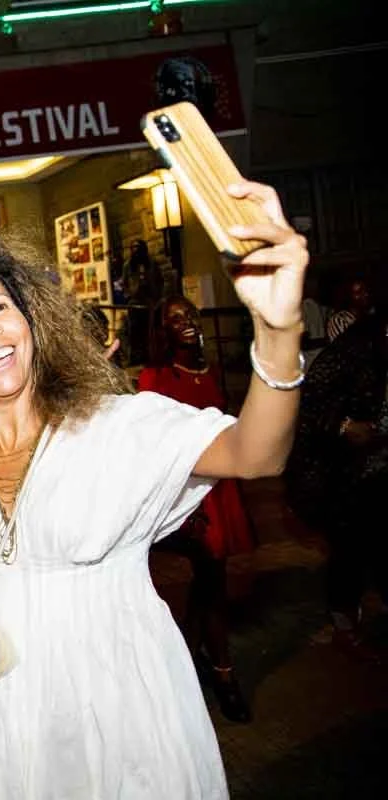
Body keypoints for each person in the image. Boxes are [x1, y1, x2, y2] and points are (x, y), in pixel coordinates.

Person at [0, 182, 307, 798]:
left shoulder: (116, 428)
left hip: (124, 712)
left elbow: (256, 455)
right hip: (0, 731)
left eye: (0, 308)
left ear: (30, 321)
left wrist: (279, 330)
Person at [139, 295, 255, 722]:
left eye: (190, 315)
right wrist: (181, 507)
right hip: (186, 499)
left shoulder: (212, 370)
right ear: (162, 330)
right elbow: (154, 448)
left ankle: (202, 668)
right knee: (206, 584)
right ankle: (216, 674)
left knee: (212, 584)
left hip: (219, 491)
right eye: (175, 319)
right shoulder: (154, 378)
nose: (187, 322)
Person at [286, 313, 388, 654]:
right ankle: (345, 626)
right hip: (342, 478)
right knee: (349, 553)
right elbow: (303, 415)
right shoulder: (343, 357)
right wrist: (344, 427)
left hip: (378, 472)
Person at [325, 275, 373, 342]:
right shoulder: (339, 320)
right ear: (348, 296)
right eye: (359, 292)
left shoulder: (369, 316)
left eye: (365, 290)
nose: (366, 294)